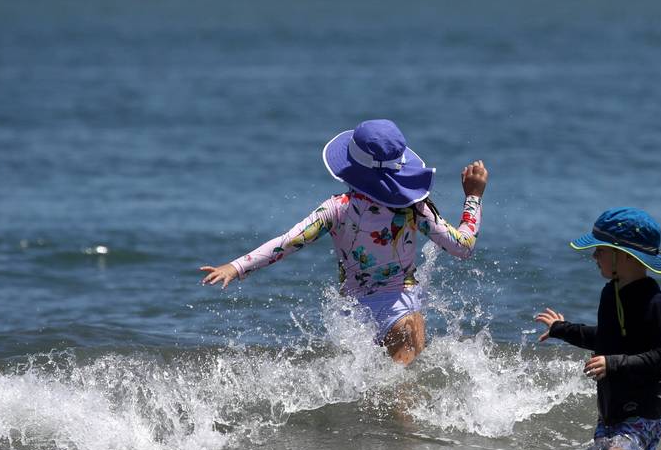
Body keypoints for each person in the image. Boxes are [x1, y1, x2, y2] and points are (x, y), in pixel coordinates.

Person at [201, 119, 488, 366]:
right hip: (402, 315)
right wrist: (473, 196)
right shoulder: (416, 209)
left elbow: (286, 243)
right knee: (402, 398)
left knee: (367, 397)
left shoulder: (337, 208)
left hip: (353, 318)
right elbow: (463, 246)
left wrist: (236, 267)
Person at [534, 207, 661, 450]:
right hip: (611, 411)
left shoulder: (653, 301)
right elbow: (606, 337)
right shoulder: (611, 292)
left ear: (624, 256)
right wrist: (562, 329)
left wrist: (613, 363)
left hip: (644, 410)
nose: (594, 255)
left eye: (600, 249)